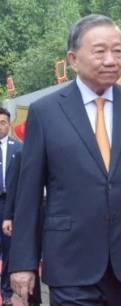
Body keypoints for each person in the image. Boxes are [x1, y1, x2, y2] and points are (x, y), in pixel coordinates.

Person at [9, 14, 121, 305]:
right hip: (70, 259)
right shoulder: (46, 112)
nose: (111, 59)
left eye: (117, 50)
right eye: (100, 51)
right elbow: (28, 195)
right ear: (74, 58)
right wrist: (23, 262)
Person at [1, 128, 40, 305]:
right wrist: (9, 216)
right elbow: (13, 184)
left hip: (47, 210)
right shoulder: (21, 153)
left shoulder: (19, 147)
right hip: (21, 209)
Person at [0, 108, 22, 306]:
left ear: (9, 124)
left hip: (9, 204)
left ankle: (6, 291)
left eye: (3, 122)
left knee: (8, 249)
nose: (0, 126)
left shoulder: (19, 148)